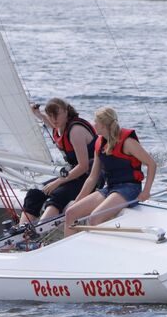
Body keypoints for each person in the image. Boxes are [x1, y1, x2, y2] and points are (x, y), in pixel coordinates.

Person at [64, 107, 157, 236]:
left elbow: (151, 164)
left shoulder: (127, 142)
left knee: (94, 218)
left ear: (103, 125)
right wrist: (78, 200)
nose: (93, 125)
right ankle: (69, 250)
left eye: (95, 122)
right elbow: (92, 177)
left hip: (129, 188)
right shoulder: (99, 142)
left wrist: (146, 191)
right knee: (71, 212)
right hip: (110, 188)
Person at [20, 98, 97, 226]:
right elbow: (47, 120)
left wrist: (58, 182)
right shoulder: (58, 126)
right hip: (73, 175)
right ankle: (22, 230)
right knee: (34, 193)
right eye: (51, 115)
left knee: (58, 195)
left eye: (57, 114)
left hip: (91, 176)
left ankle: (39, 231)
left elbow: (83, 166)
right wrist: (37, 114)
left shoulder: (75, 131)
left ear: (66, 112)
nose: (54, 119)